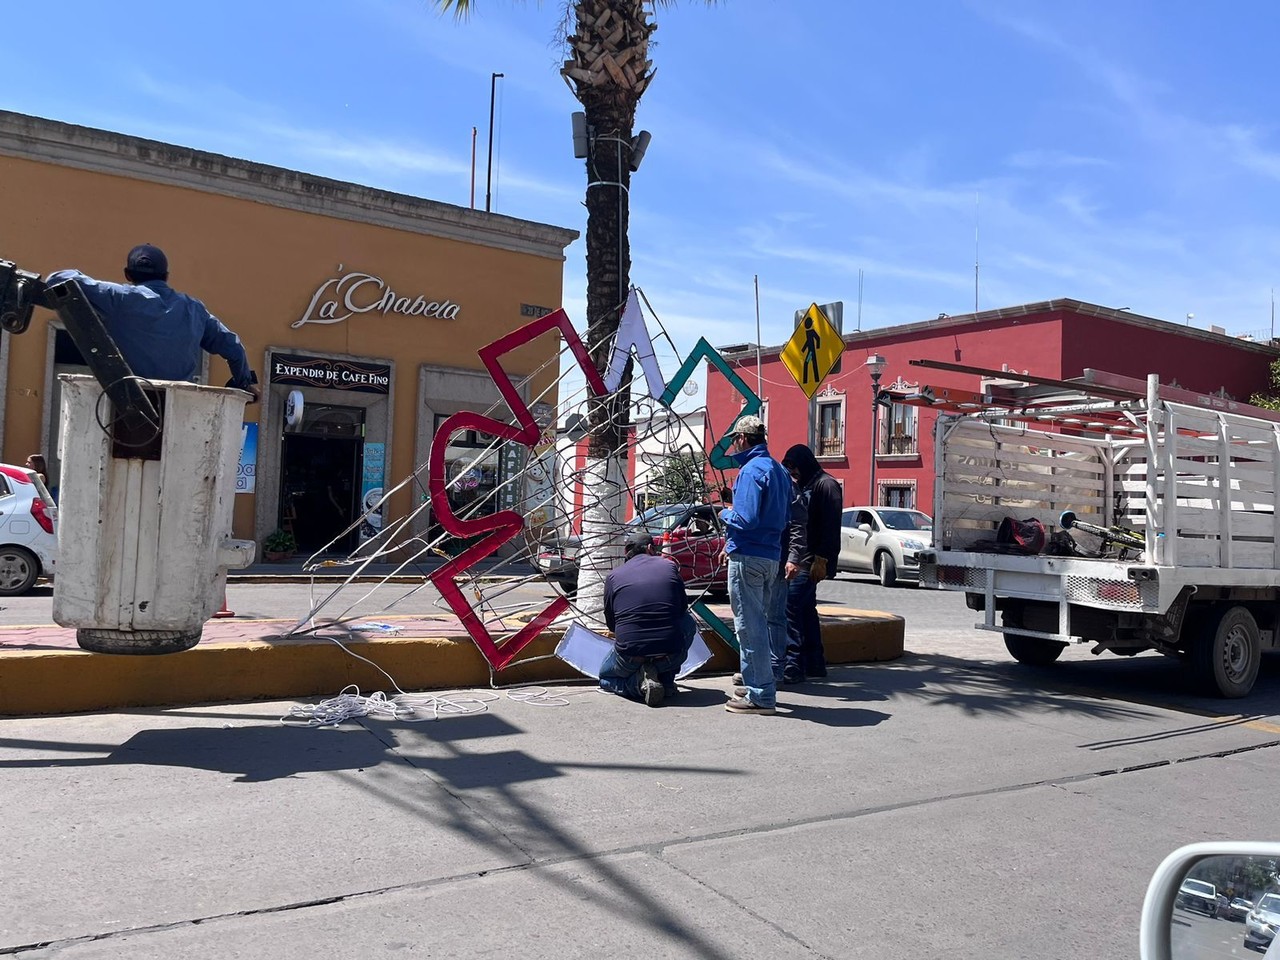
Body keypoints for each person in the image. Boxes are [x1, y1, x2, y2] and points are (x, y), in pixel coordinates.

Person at [45, 244, 259, 398]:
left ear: (127, 274)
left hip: (127, 402)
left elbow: (57, 278)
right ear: (166, 276)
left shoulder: (118, 297)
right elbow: (233, 346)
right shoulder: (194, 308)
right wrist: (244, 383)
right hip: (181, 404)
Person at [718, 414, 792, 716]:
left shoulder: (750, 471)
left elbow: (744, 519)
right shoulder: (779, 470)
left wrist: (723, 513)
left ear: (742, 439)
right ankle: (758, 683)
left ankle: (761, 694)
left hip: (748, 555)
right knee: (760, 623)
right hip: (770, 556)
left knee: (749, 627)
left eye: (735, 439)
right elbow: (786, 516)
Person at [599, 529, 697, 708]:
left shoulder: (613, 577)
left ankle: (638, 685)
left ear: (625, 552)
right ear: (651, 548)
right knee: (688, 622)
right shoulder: (669, 567)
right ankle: (664, 680)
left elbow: (612, 625)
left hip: (630, 658)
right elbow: (681, 610)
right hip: (671, 655)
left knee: (605, 677)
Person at [781, 443, 844, 682]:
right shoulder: (804, 484)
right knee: (806, 611)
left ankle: (793, 665)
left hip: (812, 561)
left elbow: (831, 526)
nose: (792, 472)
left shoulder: (826, 485)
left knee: (791, 608)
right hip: (803, 557)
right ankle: (815, 662)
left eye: (794, 466)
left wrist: (822, 559)